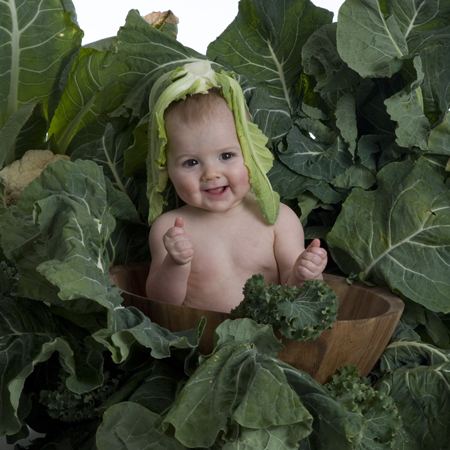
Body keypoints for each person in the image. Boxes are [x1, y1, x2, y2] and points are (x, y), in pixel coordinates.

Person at [145, 66, 327, 313]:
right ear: (165, 169)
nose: (211, 174)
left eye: (227, 155)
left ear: (251, 155)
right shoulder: (170, 228)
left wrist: (306, 274)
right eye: (191, 162)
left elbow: (296, 294)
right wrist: (175, 263)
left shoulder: (277, 219)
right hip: (197, 343)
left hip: (268, 342)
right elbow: (161, 301)